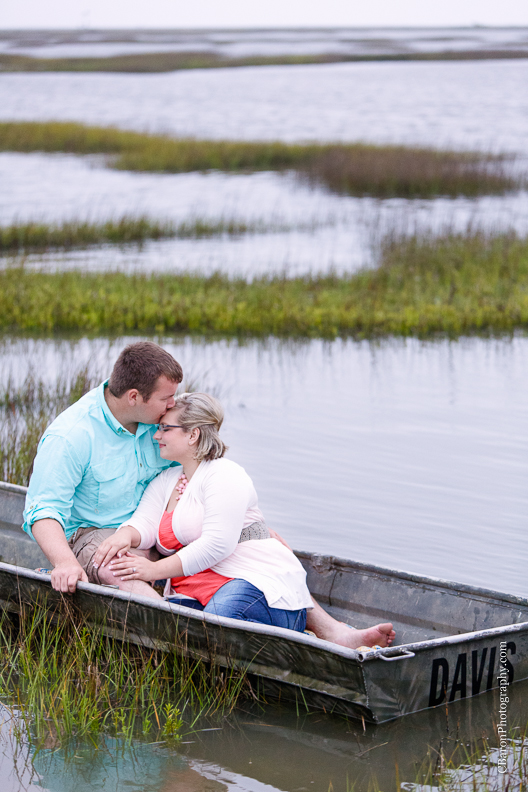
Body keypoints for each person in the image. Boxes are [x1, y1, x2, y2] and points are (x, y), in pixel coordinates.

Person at [94, 393, 396, 648]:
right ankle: (168, 622)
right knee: (112, 565)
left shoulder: (225, 475)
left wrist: (155, 568)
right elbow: (144, 524)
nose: (156, 435)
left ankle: (324, 633)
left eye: (164, 428)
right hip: (194, 595)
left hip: (251, 586)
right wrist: (125, 537)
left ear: (193, 433)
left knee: (217, 623)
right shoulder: (169, 479)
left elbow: (216, 545)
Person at [23, 341, 183, 597]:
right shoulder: (71, 435)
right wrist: (65, 563)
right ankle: (177, 631)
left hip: (152, 525)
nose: (173, 405)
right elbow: (43, 510)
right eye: (166, 398)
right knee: (119, 568)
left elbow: (201, 468)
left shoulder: (163, 423)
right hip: (94, 535)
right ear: (134, 397)